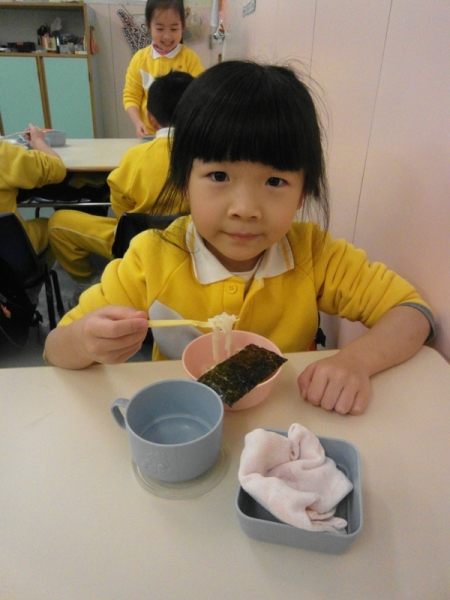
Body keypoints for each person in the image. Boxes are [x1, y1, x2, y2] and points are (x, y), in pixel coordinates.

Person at [44, 60, 435, 416]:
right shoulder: (152, 258)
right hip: (187, 421)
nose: (245, 209)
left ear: (302, 193)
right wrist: (84, 341)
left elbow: (412, 313)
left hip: (290, 424)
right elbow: (54, 349)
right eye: (219, 176)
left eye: (275, 181)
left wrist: (355, 361)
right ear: (184, 180)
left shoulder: (312, 253)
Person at [47, 70, 194, 306]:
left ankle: (84, 282)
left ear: (151, 119)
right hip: (194, 244)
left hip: (140, 243)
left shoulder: (136, 158)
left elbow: (120, 209)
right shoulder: (214, 156)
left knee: (58, 223)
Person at [123, 0, 204, 138]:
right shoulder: (140, 59)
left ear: (183, 26)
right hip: (149, 134)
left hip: (181, 134)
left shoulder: (190, 59)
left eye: (174, 29)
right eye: (160, 29)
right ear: (148, 25)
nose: (167, 36)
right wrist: (138, 123)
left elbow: (199, 95)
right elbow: (131, 96)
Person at [0, 124, 66, 253]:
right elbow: (57, 168)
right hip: (10, 249)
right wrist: (37, 140)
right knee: (53, 227)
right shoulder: (5, 154)